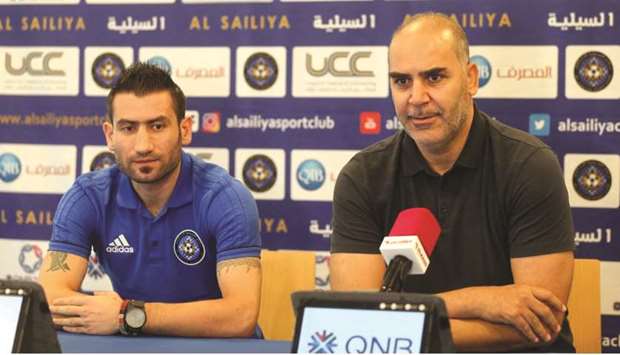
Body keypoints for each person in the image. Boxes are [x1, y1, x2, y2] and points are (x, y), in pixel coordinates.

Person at [330, 12, 575, 352]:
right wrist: (482, 301)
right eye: (402, 81)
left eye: (434, 77)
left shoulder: (529, 165)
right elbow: (359, 320)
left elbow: (540, 324)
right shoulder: (362, 177)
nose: (416, 98)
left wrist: (403, 323)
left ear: (471, 79)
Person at [38, 63, 262, 337]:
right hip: (132, 344)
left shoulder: (225, 198)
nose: (143, 145)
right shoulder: (89, 197)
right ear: (110, 135)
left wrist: (128, 313)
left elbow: (240, 316)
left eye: (157, 126)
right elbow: (50, 298)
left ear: (185, 129)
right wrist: (111, 313)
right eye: (128, 128)